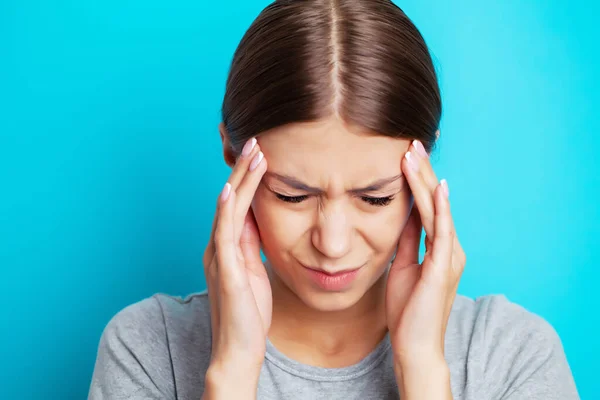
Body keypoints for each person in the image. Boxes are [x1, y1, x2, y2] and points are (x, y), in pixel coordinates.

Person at [88, 1, 579, 399]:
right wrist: (232, 371)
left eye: (375, 198)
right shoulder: (148, 351)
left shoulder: (514, 355)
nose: (333, 243)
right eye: (292, 195)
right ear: (230, 155)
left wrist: (423, 371)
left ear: (423, 172)